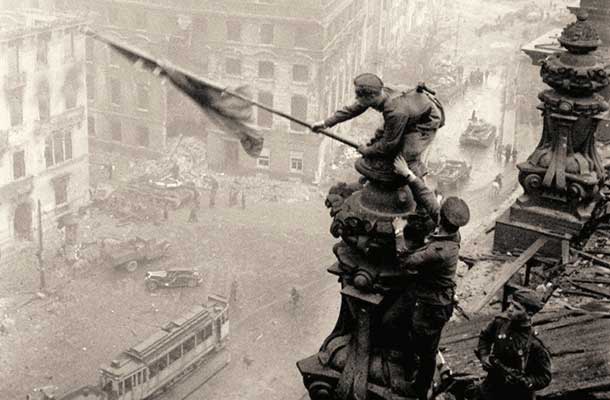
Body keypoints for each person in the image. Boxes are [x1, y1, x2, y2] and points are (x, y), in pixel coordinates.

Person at [392, 159, 470, 400]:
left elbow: (406, 260)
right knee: (424, 342)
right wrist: (409, 176)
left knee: (425, 348)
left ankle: (418, 388)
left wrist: (397, 233)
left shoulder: (440, 251)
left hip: (432, 304)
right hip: (436, 298)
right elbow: (427, 198)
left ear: (443, 220)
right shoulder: (449, 228)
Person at [311, 73, 444, 178]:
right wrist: (325, 123)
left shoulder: (394, 112)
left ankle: (418, 181)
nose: (357, 99)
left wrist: (367, 151)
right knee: (379, 137)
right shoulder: (380, 93)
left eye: (359, 96)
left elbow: (389, 144)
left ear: (372, 96)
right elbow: (354, 108)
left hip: (425, 121)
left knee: (405, 159)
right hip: (410, 113)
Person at [475, 287, 552, 400]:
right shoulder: (500, 322)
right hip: (492, 386)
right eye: (511, 304)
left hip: (518, 394)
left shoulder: (535, 343)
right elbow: (485, 336)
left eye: (517, 308)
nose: (510, 309)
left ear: (529, 314)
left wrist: (527, 382)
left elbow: (545, 376)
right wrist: (484, 355)